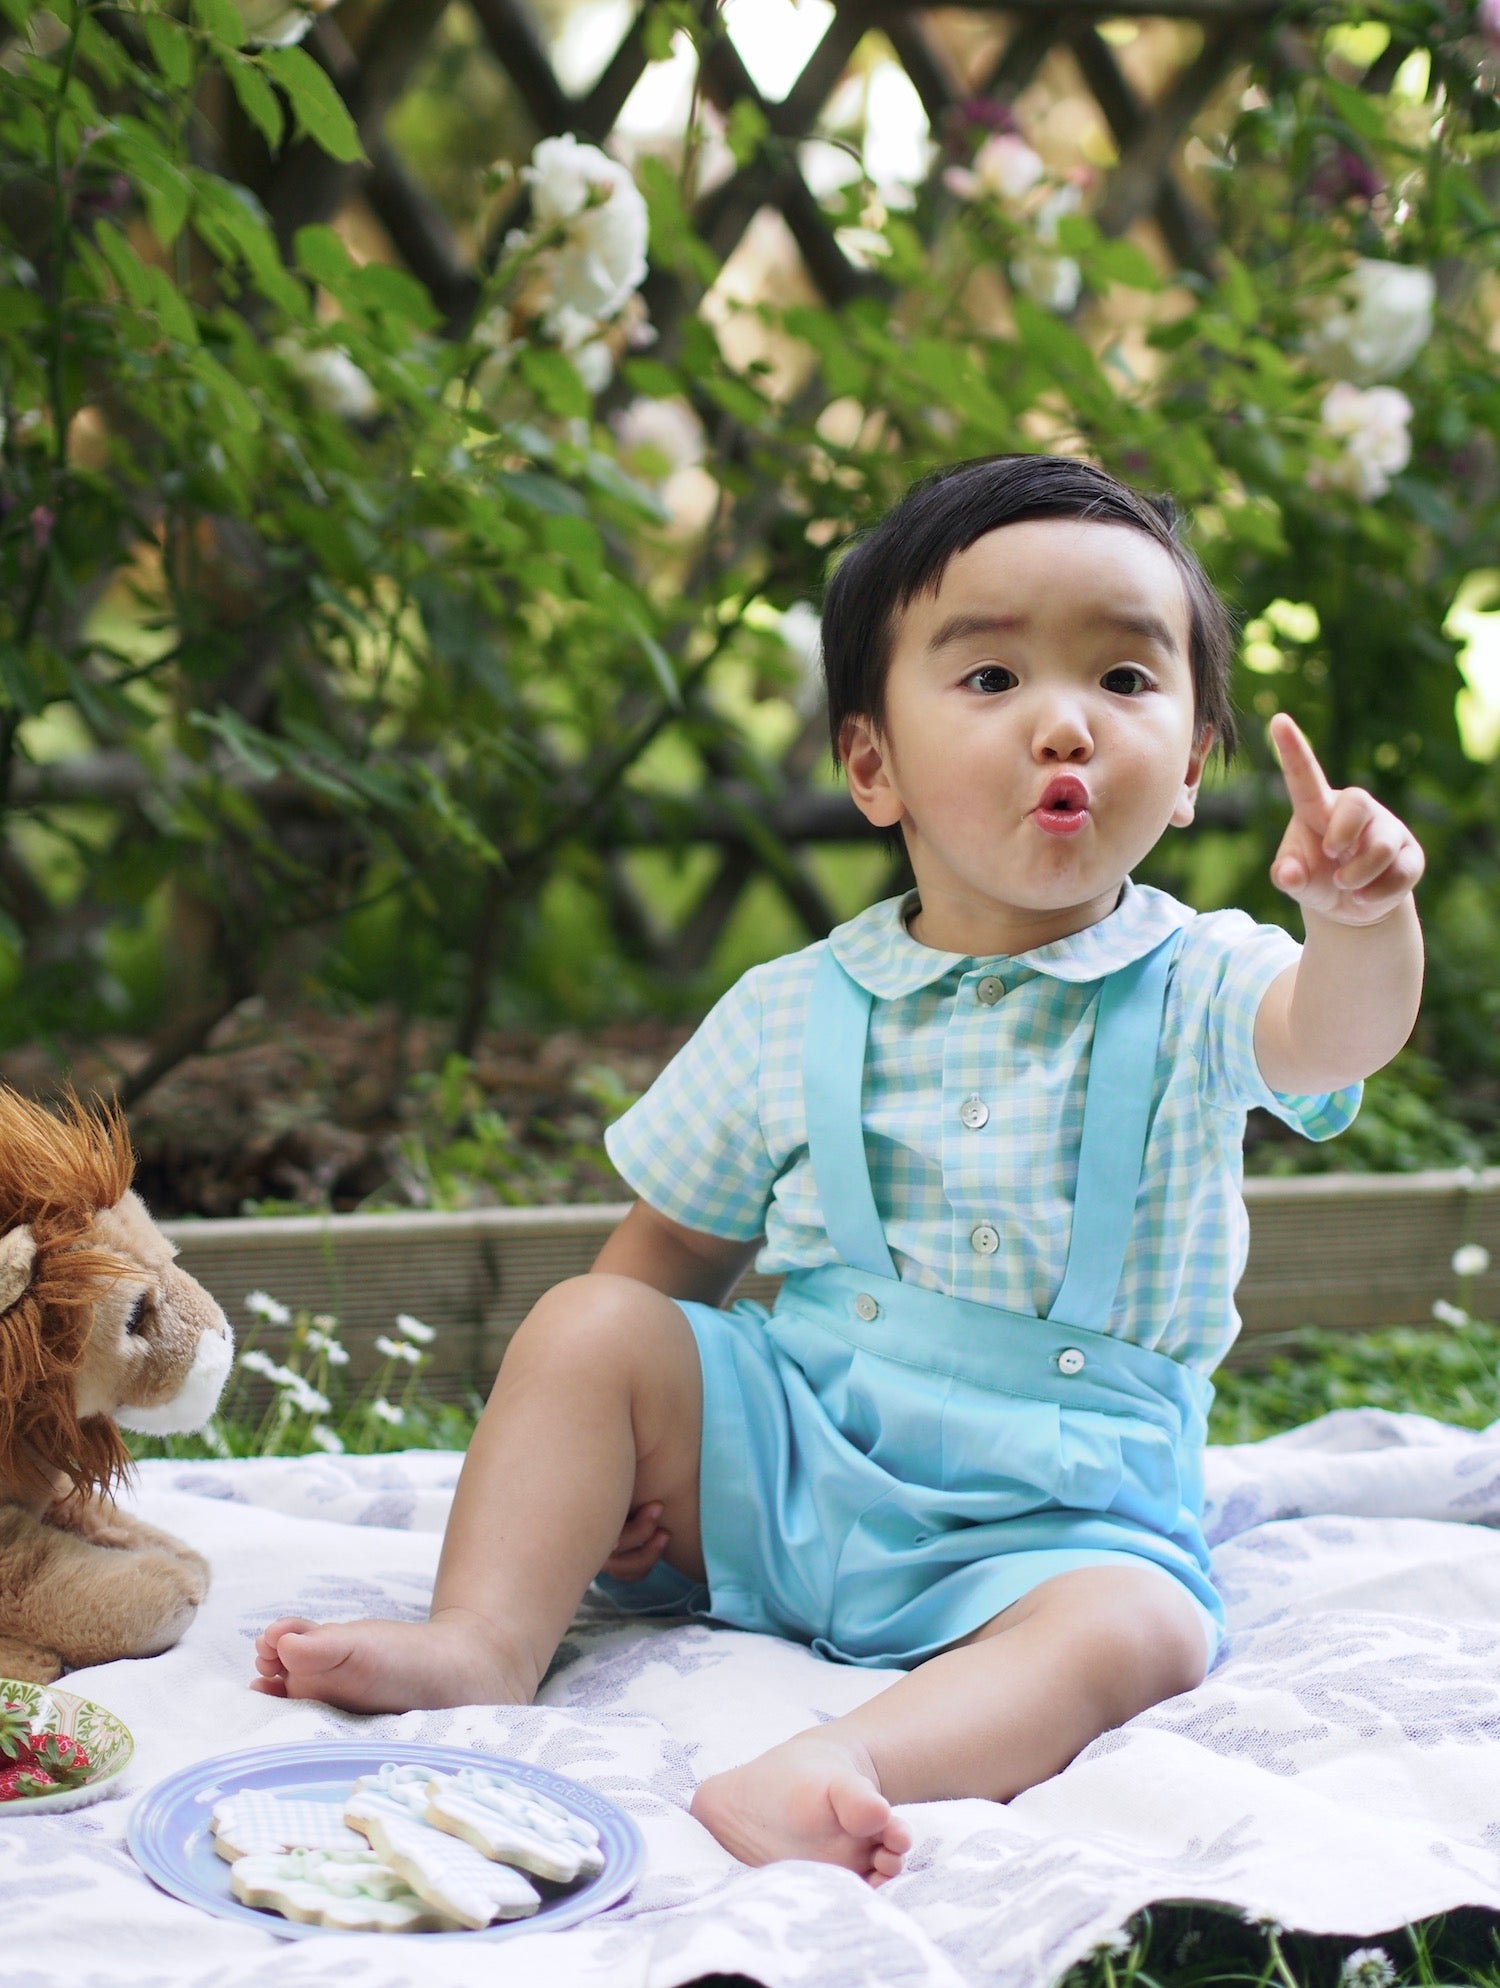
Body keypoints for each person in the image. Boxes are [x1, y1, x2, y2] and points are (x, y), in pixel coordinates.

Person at [253, 454, 1425, 1887]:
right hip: (793, 1458)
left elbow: (1328, 1036)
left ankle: (852, 1757)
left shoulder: (1203, 982)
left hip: (1057, 1524)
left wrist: (1362, 921)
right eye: (992, 680)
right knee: (587, 1324)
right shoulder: (788, 1008)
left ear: (1188, 766)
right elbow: (667, 1261)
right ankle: (483, 1641)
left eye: (1125, 679)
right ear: (874, 766)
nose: (1066, 722)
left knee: (1147, 1630)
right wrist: (619, 1451)